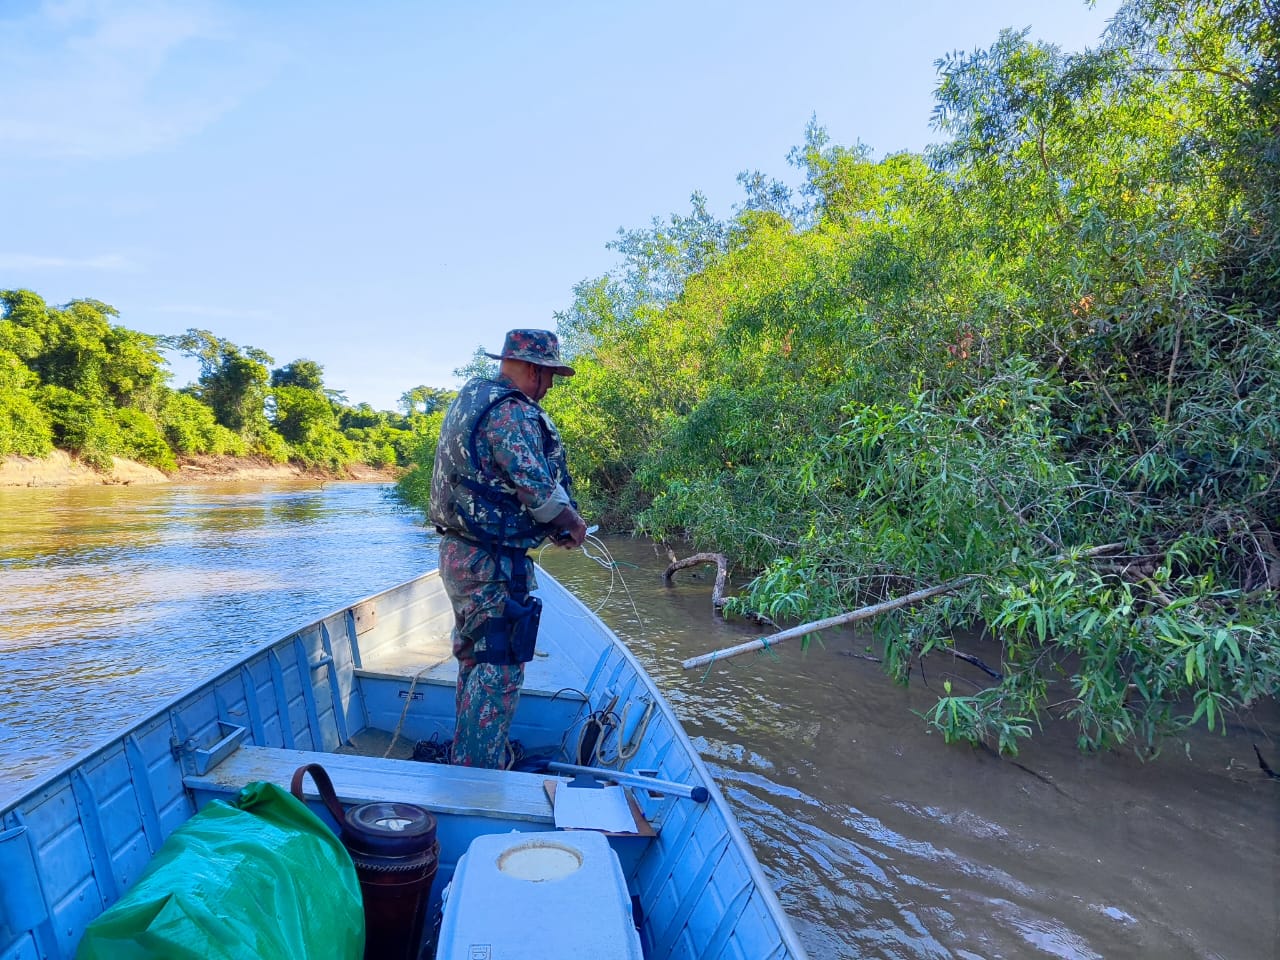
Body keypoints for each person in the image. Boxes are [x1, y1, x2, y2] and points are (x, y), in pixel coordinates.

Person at [428, 329, 588, 768]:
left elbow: (496, 481)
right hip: (487, 562)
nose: (551, 386)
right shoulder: (511, 412)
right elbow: (533, 483)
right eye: (550, 375)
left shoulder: (472, 396)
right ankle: (479, 771)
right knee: (498, 664)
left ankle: (471, 754)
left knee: (475, 656)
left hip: (461, 554)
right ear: (533, 368)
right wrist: (571, 524)